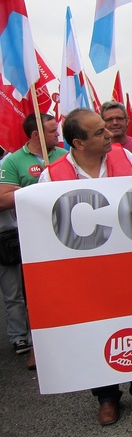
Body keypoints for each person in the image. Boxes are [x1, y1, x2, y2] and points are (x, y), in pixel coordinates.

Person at [38, 108, 132, 426]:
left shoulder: (124, 157)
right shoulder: (51, 176)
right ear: (78, 143)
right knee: (96, 332)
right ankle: (106, 397)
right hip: (86, 274)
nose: (109, 135)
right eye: (99, 133)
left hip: (129, 265)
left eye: (107, 129)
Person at [0, 113, 67, 368]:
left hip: (62, 237)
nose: (57, 136)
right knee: (30, 293)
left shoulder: (64, 155)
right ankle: (31, 343)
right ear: (37, 134)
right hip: (29, 239)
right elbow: (2, 198)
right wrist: (36, 192)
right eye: (52, 132)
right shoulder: (13, 161)